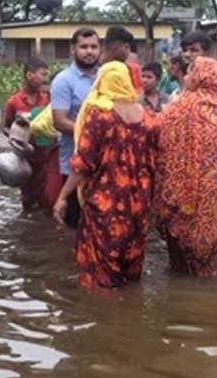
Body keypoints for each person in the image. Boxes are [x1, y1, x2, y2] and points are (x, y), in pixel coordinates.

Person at [52, 62, 160, 289]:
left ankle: (104, 318)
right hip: (139, 206)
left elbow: (82, 164)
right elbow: (157, 162)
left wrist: (62, 196)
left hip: (106, 204)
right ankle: (132, 315)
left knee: (101, 272)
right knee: (132, 269)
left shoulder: (100, 117)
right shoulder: (150, 118)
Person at [154, 56, 217, 277]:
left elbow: (159, 135)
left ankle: (186, 294)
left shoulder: (183, 106)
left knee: (185, 258)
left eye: (190, 73)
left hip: (190, 193)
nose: (185, 78)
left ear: (200, 76)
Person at [51, 28, 101, 228]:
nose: (89, 51)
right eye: (84, 47)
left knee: (101, 224)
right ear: (73, 49)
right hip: (73, 165)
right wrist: (96, 136)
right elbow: (60, 122)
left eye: (94, 47)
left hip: (103, 164)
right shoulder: (64, 80)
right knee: (75, 224)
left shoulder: (106, 77)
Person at [3, 57, 62, 212]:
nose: (45, 78)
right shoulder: (14, 102)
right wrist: (17, 135)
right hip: (27, 159)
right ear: (30, 75)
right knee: (27, 200)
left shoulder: (48, 98)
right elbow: (6, 128)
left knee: (48, 197)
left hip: (48, 155)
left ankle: (44, 228)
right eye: (42, 74)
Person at [103, 26, 143, 93]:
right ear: (114, 47)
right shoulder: (95, 70)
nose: (129, 52)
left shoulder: (128, 70)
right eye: (127, 47)